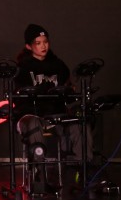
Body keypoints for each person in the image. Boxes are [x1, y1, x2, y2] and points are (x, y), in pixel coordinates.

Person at [13, 24, 90, 178]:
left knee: (78, 123)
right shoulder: (22, 68)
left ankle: (83, 169)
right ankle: (38, 174)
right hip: (30, 115)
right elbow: (19, 98)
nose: (43, 46)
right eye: (38, 43)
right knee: (33, 124)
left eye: (45, 42)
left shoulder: (59, 65)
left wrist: (69, 91)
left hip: (55, 114)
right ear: (28, 46)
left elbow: (67, 91)